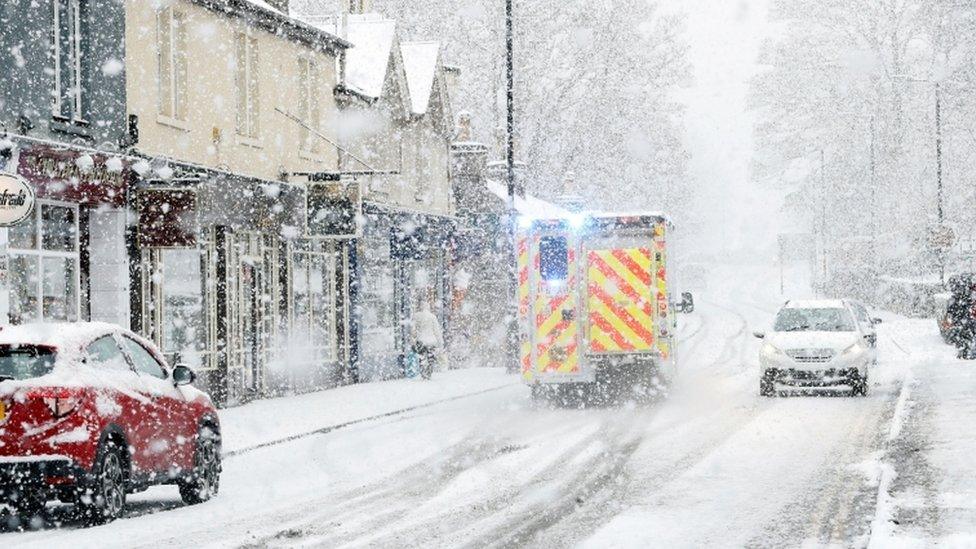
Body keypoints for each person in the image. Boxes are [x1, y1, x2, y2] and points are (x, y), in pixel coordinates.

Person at [411, 300, 444, 380]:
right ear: (428, 308)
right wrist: (440, 342)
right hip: (431, 341)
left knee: (421, 357)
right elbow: (437, 331)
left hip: (421, 340)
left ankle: (423, 373)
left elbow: (413, 330)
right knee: (431, 358)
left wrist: (413, 340)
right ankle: (429, 373)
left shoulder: (416, 316)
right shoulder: (432, 317)